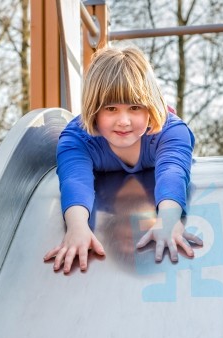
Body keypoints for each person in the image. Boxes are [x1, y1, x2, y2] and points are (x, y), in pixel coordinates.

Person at [43, 46, 203, 274]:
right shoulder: (77, 139)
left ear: (150, 107)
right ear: (94, 110)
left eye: (135, 107)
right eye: (111, 108)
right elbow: (75, 180)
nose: (124, 121)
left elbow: (173, 171)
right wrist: (77, 226)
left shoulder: (170, 132)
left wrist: (169, 217)